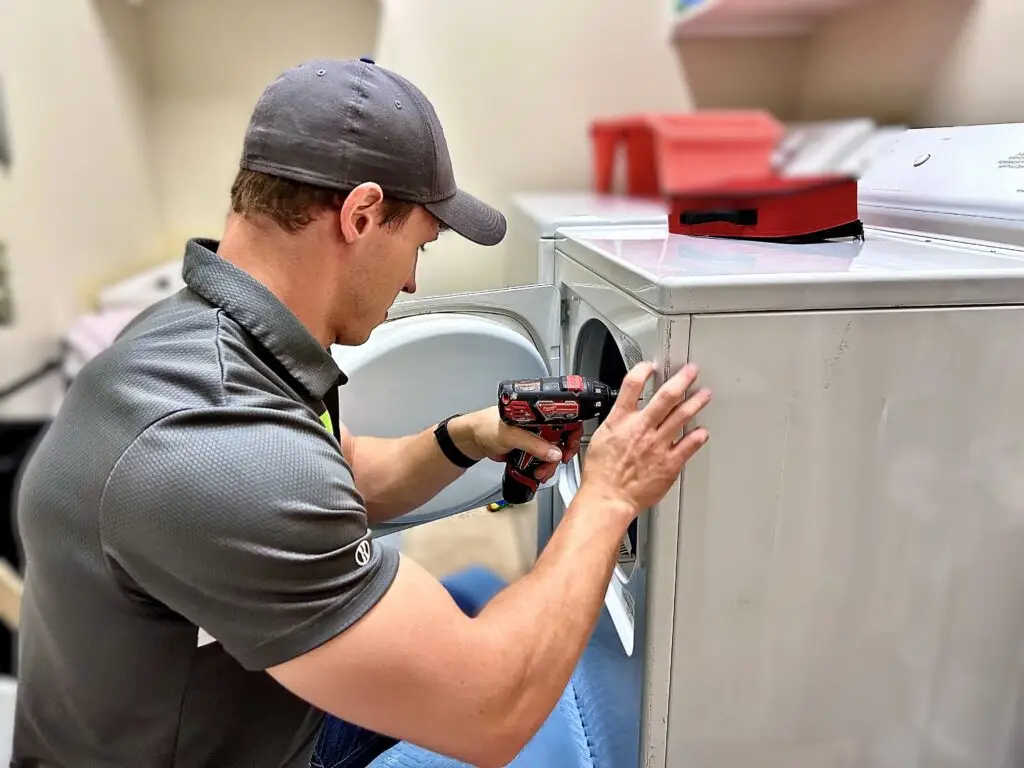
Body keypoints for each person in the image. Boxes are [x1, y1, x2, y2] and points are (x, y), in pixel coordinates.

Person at [11, 57, 711, 768]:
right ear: (362, 214)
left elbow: (343, 474)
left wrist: (464, 438)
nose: (411, 280)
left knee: (476, 593)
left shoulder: (215, 338)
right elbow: (493, 709)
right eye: (419, 246)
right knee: (555, 731)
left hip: (250, 716)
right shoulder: (219, 445)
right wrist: (611, 493)